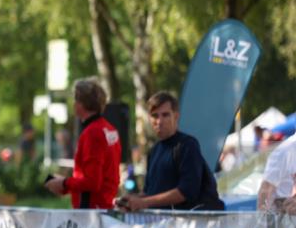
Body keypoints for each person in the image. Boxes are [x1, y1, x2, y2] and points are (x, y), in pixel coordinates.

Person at [119, 91, 224, 212]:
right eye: (155, 116)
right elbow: (149, 192)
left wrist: (144, 202)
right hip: (164, 226)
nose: (159, 121)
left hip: (194, 225)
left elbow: (186, 191)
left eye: (165, 115)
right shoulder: (153, 151)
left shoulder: (188, 145)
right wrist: (131, 200)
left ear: (176, 116)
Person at [44, 78, 121, 208]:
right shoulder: (110, 129)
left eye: (75, 99)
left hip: (91, 211)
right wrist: (64, 183)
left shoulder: (92, 133)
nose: (73, 104)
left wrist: (63, 183)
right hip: (105, 205)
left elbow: (92, 182)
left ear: (81, 104)